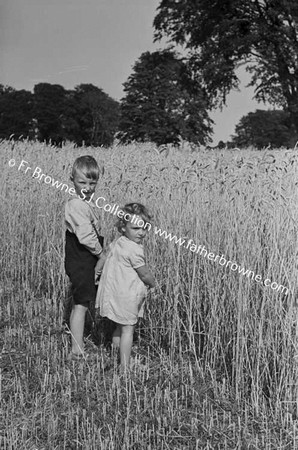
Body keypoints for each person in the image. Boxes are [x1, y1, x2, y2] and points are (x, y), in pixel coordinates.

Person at [95, 202, 155, 371]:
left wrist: (97, 273)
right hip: (127, 296)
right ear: (123, 227)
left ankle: (116, 354)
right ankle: (125, 367)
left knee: (119, 326)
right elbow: (144, 273)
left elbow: (104, 257)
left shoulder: (118, 242)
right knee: (128, 329)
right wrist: (153, 285)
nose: (141, 233)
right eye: (136, 228)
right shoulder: (134, 250)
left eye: (144, 228)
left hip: (114, 294)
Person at [65, 155, 104, 360]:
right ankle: (76, 350)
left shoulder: (83, 204)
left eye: (92, 182)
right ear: (71, 179)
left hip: (83, 259)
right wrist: (101, 253)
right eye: (82, 182)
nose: (87, 187)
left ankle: (77, 345)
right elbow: (86, 236)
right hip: (81, 260)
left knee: (82, 302)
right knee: (80, 304)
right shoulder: (76, 205)